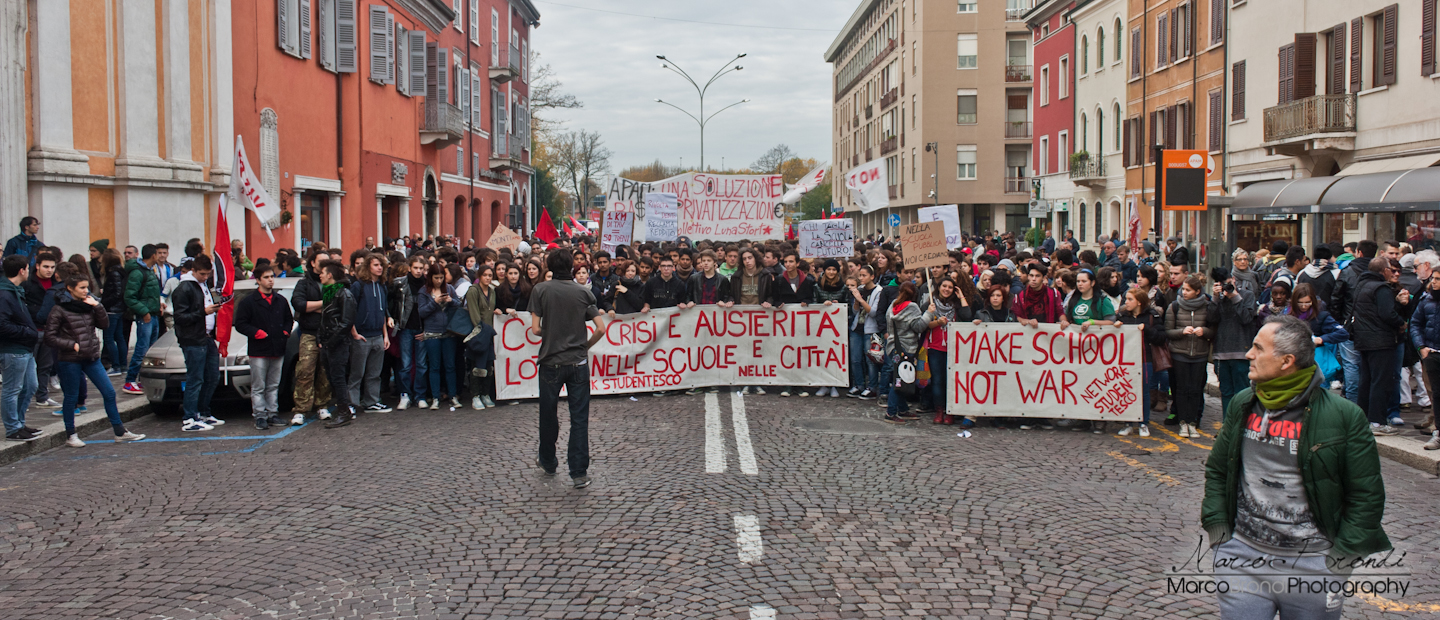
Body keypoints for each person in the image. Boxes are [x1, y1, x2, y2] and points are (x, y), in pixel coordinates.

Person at [1203, 314, 1390, 619]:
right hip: (1242, 558)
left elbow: (1366, 495)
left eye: (1258, 348)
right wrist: (1219, 532)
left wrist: (1340, 561)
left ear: (1286, 361)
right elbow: (1219, 470)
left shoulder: (1344, 416)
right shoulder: (1242, 403)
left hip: (1314, 566)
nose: (1249, 355)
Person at [529, 248, 605, 489]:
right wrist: (584, 345)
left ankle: (549, 461)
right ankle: (579, 472)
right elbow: (601, 328)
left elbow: (535, 329)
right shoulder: (583, 292)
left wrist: (553, 329)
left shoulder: (540, 290)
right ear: (572, 266)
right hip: (578, 362)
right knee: (579, 418)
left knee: (548, 415)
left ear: (549, 266)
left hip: (551, 362)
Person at [42, 272, 145, 447]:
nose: (86, 291)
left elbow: (104, 324)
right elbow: (49, 337)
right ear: (70, 289)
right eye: (81, 288)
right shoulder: (59, 309)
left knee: (109, 392)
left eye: (87, 287)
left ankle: (120, 432)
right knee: (71, 397)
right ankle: (71, 434)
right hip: (70, 359)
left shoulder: (89, 304)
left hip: (91, 357)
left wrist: (97, 306)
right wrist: (71, 344)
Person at [1352, 257, 1409, 435]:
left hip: (1363, 339)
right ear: (1384, 270)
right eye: (1390, 270)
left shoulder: (1361, 285)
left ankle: (1363, 420)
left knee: (1366, 380)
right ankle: (1377, 422)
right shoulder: (1380, 287)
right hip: (1380, 341)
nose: (1392, 273)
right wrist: (1401, 322)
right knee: (1381, 381)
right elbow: (1387, 314)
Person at [233, 265, 293, 430]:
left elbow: (289, 318)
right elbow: (241, 324)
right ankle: (260, 415)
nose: (270, 280)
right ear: (258, 280)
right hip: (259, 349)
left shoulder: (280, 300)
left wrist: (285, 331)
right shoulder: (249, 302)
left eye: (272, 276)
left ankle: (273, 413)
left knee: (273, 384)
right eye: (266, 277)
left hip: (277, 347)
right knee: (259, 385)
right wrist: (256, 332)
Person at [172, 254, 225, 432]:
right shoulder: (184, 288)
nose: (205, 277)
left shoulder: (202, 286)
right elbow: (179, 317)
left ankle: (203, 412)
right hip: (193, 339)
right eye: (202, 274)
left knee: (212, 377)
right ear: (193, 271)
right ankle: (189, 417)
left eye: (207, 274)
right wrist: (204, 312)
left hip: (206, 337)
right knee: (195, 378)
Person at [1165, 276, 1214, 438]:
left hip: (1199, 354)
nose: (1184, 292)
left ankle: (1193, 422)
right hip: (1180, 354)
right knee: (1181, 389)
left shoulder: (1207, 307)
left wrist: (1204, 331)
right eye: (1183, 289)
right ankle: (1183, 421)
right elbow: (1168, 331)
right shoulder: (1175, 306)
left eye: (1188, 290)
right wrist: (1181, 331)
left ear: (1197, 292)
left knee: (1195, 390)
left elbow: (1213, 330)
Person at [1330, 240, 1377, 406]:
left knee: (1351, 365)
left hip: (1349, 324)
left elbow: (1336, 298)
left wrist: (1339, 321)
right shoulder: (1377, 272)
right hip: (1371, 327)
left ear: (1359, 252)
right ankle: (1366, 403)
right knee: (1368, 366)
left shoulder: (1347, 271)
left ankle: (1353, 403)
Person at [0, 255, 41, 442]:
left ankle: (20, 423)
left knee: (30, 386)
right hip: (13, 349)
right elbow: (2, 325)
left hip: (24, 349)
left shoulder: (15, 290)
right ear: (22, 270)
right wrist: (27, 332)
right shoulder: (5, 293)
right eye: (28, 268)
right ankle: (13, 428)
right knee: (12, 389)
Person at [1115, 288, 1165, 437]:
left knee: (1143, 391)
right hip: (1127, 359)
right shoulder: (1123, 316)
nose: (1126, 303)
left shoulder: (1152, 316)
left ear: (1139, 302)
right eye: (1126, 299)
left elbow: (1161, 337)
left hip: (1145, 358)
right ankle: (1128, 423)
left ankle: (1144, 423)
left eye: (1130, 299)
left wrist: (1147, 330)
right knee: (1126, 390)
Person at [1211, 267, 1259, 417]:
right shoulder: (1219, 299)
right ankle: (1227, 427)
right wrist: (1215, 299)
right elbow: (1211, 319)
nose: (1227, 287)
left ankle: (1241, 426)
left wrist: (1235, 297)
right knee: (1226, 393)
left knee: (1242, 393)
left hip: (1241, 352)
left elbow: (1246, 318)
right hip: (1221, 353)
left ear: (1234, 279)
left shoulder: (1247, 295)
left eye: (1229, 282)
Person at [316, 261, 358, 428]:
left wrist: (331, 341)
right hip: (329, 343)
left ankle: (343, 411)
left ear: (330, 275)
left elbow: (346, 322)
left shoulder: (344, 294)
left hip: (337, 344)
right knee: (333, 378)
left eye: (323, 272)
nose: (320, 275)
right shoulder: (329, 293)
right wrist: (321, 338)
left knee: (339, 378)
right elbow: (325, 319)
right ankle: (342, 409)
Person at [348, 253, 391, 414]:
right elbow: (350, 311)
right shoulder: (358, 286)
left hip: (378, 335)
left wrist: (385, 335)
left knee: (374, 373)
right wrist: (354, 333)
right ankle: (352, 403)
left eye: (381, 265)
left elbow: (382, 312)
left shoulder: (382, 286)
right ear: (368, 267)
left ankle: (371, 401)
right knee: (357, 373)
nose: (379, 268)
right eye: (375, 265)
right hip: (362, 335)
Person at [417, 264, 460, 410]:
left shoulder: (449, 288)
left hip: (448, 332)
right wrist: (434, 303)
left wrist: (451, 301)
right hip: (431, 333)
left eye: (441, 278)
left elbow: (459, 304)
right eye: (436, 278)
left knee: (450, 366)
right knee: (434, 366)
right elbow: (422, 312)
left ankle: (452, 395)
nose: (439, 281)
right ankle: (435, 397)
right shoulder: (424, 292)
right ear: (431, 277)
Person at [883, 282, 928, 424]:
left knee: (901, 376)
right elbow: (918, 326)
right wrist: (929, 314)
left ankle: (902, 408)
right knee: (900, 380)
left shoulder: (893, 305)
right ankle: (891, 412)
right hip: (906, 348)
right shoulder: (912, 307)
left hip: (893, 347)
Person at [464, 264, 499, 410]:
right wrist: (481, 329)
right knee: (477, 365)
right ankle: (475, 395)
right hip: (478, 333)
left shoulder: (492, 291)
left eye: (490, 275)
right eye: (485, 275)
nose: (487, 278)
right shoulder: (473, 291)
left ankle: (485, 393)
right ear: (479, 276)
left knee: (489, 365)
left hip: (489, 332)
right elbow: (474, 313)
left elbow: (491, 309)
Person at [97, 248, 125, 374]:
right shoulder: (120, 271)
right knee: (119, 337)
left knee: (109, 338)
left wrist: (104, 302)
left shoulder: (113, 273)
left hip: (112, 310)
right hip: (119, 309)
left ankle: (116, 365)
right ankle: (122, 365)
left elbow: (117, 293)